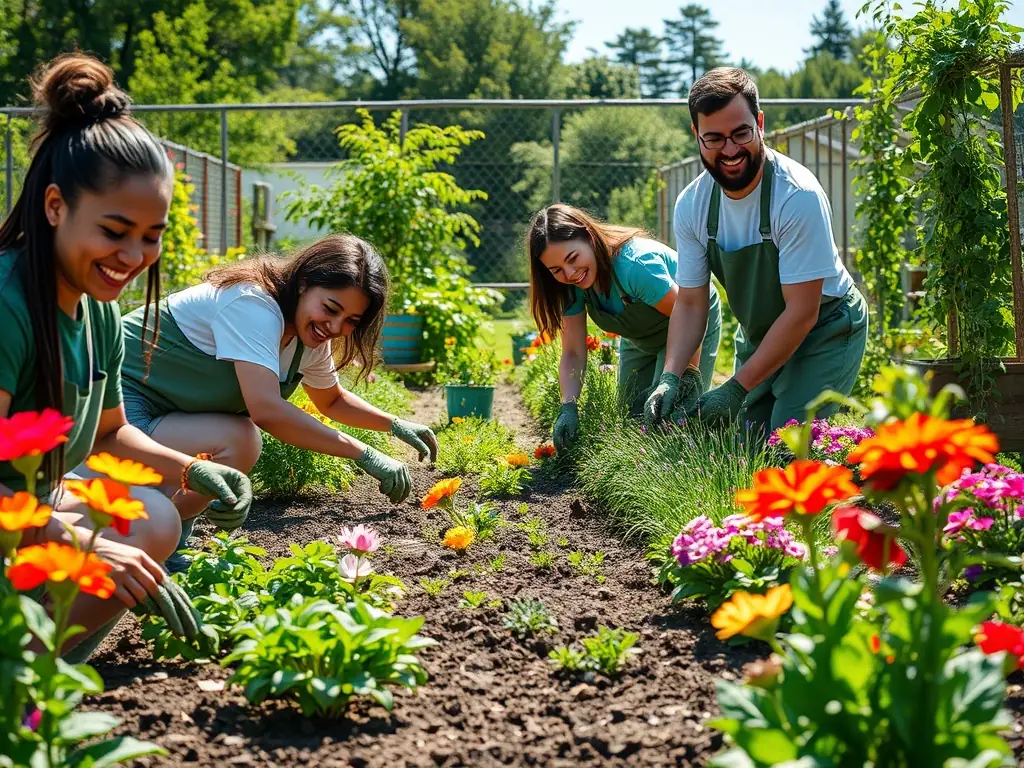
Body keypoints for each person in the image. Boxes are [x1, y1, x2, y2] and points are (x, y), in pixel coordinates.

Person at [0, 54, 250, 655]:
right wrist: (81, 543)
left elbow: (112, 435)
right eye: (114, 231)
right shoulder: (9, 306)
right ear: (55, 206)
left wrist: (192, 470)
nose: (134, 255)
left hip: (29, 511)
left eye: (152, 235)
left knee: (156, 521)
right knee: (123, 540)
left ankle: (37, 679)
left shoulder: (99, 311)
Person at [119, 234, 438, 565]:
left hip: (160, 413)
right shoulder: (252, 304)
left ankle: (165, 540)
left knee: (237, 440)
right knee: (240, 439)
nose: (335, 326)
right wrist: (365, 453)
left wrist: (394, 424)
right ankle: (151, 539)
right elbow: (266, 410)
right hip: (110, 401)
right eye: (331, 308)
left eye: (351, 321)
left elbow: (332, 401)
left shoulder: (307, 333)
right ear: (303, 284)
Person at [646, 67, 868, 437]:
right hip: (762, 334)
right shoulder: (692, 205)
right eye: (714, 138)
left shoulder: (796, 196)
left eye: (741, 134)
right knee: (742, 447)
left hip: (826, 327)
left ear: (760, 123)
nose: (730, 150)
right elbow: (690, 303)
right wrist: (671, 374)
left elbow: (801, 313)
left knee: (789, 445)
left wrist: (735, 387)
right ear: (696, 135)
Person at [527, 204, 722, 452]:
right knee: (633, 419)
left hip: (690, 317)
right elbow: (573, 352)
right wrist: (568, 406)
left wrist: (675, 379)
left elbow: (689, 316)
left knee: (672, 418)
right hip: (639, 337)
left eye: (573, 259)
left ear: (589, 235)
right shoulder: (568, 286)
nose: (570, 273)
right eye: (556, 270)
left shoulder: (635, 266)